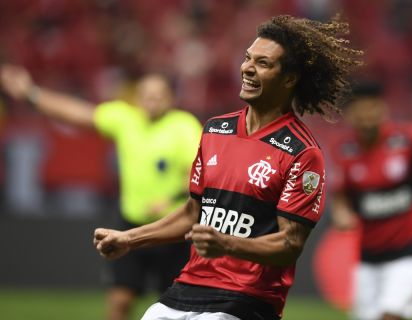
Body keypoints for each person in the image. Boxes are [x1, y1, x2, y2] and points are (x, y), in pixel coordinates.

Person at [93, 15, 362, 320]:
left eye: (263, 63)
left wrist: (227, 244)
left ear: (289, 79)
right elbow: (192, 213)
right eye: (248, 58)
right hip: (188, 288)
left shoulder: (303, 152)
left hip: (248, 299)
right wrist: (129, 239)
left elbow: (290, 243)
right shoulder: (215, 130)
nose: (247, 68)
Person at [0, 66, 203, 320]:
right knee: (119, 301)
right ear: (137, 97)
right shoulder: (126, 120)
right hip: (131, 223)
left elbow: (198, 172)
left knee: (176, 307)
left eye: (158, 94)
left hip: (171, 229)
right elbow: (77, 114)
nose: (151, 100)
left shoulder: (183, 127)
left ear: (171, 98)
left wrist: (171, 197)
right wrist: (31, 94)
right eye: (146, 94)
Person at [330, 81, 412, 320]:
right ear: (351, 115)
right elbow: (341, 194)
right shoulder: (345, 150)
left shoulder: (411, 138)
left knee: (390, 315)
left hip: (407, 254)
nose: (368, 117)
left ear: (382, 109)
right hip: (367, 258)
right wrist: (341, 212)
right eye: (361, 111)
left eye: (372, 109)